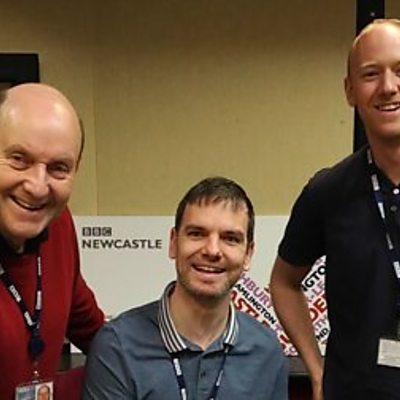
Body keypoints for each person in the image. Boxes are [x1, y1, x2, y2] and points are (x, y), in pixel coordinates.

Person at [270, 18, 400, 400]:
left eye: (399, 70)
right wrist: (316, 370)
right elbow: (284, 282)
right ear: (350, 91)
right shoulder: (328, 191)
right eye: (371, 74)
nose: (388, 86)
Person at [83, 176, 288, 399]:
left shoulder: (267, 351)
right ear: (173, 243)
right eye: (197, 234)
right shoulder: (118, 346)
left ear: (248, 254)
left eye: (230, 238)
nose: (212, 250)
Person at [0, 83, 104, 399]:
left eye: (59, 168)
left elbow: (87, 323)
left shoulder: (57, 223)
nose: (37, 186)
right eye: (19, 159)